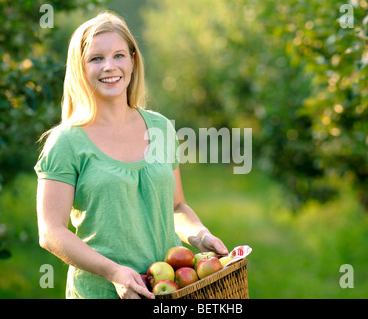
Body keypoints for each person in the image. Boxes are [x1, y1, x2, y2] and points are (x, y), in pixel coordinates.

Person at [35, 11, 228, 299]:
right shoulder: (66, 142)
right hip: (98, 292)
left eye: (119, 56)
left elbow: (176, 207)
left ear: (133, 60)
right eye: (96, 58)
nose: (109, 67)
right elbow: (51, 231)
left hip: (165, 292)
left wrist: (200, 235)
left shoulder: (160, 127)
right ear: (80, 68)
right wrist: (114, 272)